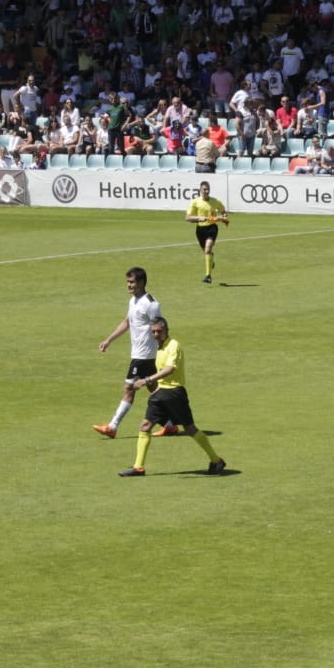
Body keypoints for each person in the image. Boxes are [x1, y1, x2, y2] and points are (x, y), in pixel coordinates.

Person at [117, 317, 226, 477]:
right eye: (153, 331)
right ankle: (138, 467)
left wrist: (148, 380)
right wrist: (156, 388)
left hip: (175, 393)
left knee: (190, 429)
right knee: (145, 426)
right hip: (161, 393)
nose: (155, 334)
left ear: (166, 330)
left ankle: (216, 461)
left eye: (159, 331)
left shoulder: (173, 345)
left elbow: (170, 370)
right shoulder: (160, 348)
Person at [93, 267, 172, 439]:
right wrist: (109, 339)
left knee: (129, 388)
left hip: (145, 355)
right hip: (139, 353)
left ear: (142, 282)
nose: (128, 285)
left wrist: (163, 350)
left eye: (132, 282)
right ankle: (169, 424)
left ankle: (113, 427)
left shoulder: (151, 304)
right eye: (127, 282)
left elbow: (159, 327)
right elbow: (128, 322)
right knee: (154, 389)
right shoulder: (133, 301)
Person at [185, 181, 229, 284]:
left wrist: (223, 218)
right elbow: (187, 218)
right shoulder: (195, 202)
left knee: (208, 248)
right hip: (200, 230)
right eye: (204, 189)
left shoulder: (215, 201)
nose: (206, 191)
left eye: (208, 189)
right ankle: (211, 260)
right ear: (200, 190)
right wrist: (198, 218)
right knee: (206, 252)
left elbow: (223, 212)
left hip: (212, 228)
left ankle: (208, 276)